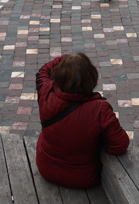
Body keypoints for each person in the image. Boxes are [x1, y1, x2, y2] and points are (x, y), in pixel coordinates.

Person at [35, 53, 129, 189]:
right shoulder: (100, 109)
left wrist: (68, 60)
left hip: (46, 169)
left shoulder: (45, 92)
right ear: (91, 78)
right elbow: (119, 146)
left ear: (59, 76)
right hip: (84, 179)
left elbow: (43, 70)